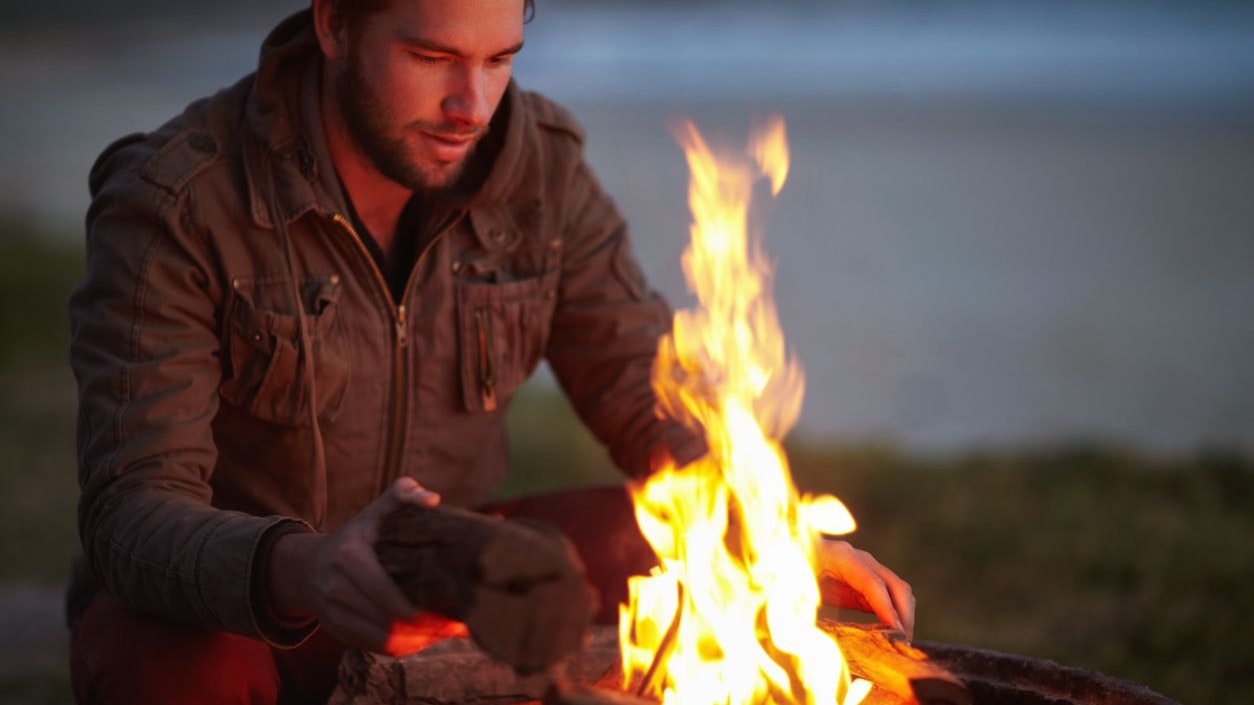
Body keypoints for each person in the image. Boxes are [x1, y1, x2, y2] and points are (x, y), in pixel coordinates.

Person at [67, 0, 916, 703]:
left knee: (671, 540)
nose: (472, 105)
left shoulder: (535, 166)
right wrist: (307, 567)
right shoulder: (178, 203)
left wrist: (765, 532)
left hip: (452, 576)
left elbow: (641, 380)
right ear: (334, 25)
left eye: (500, 59)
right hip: (252, 604)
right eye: (432, 56)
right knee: (178, 663)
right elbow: (132, 513)